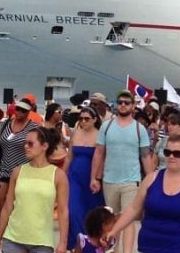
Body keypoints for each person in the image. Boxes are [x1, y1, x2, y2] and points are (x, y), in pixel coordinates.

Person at [106, 135, 180, 253]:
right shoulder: (150, 179)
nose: (171, 156)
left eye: (177, 153)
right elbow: (133, 209)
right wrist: (113, 231)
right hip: (149, 246)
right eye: (167, 152)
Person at [90, 90, 153, 253]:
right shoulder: (107, 126)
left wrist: (152, 181)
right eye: (120, 102)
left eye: (126, 102)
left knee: (128, 219)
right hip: (109, 180)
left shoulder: (140, 129)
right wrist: (94, 178)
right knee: (112, 221)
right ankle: (114, 250)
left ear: (133, 106)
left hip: (131, 181)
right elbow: (99, 153)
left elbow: (146, 156)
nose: (123, 105)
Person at [0, 127, 69, 253]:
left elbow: (63, 211)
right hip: (12, 239)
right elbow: (7, 207)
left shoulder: (58, 175)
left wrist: (63, 243)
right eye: (25, 143)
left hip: (42, 242)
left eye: (30, 143)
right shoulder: (17, 171)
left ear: (44, 146)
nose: (26, 146)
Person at [63, 106, 105, 251]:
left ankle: (90, 245)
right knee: (74, 210)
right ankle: (76, 243)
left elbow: (102, 158)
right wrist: (63, 174)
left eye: (87, 119)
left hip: (91, 178)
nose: (83, 121)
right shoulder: (76, 133)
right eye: (80, 119)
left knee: (90, 212)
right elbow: (69, 156)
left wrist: (97, 178)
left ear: (94, 119)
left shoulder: (100, 135)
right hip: (74, 176)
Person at [0, 99, 39, 221]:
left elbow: (38, 146)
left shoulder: (34, 127)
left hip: (22, 168)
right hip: (4, 167)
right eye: (17, 109)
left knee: (18, 199)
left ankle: (17, 222)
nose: (19, 112)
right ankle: (8, 221)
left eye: (23, 110)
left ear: (28, 112)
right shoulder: (6, 123)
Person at [43, 103, 69, 168]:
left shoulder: (63, 126)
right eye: (59, 112)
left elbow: (68, 142)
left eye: (62, 112)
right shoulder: (42, 126)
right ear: (52, 113)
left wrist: (65, 140)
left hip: (63, 160)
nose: (62, 114)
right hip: (48, 161)